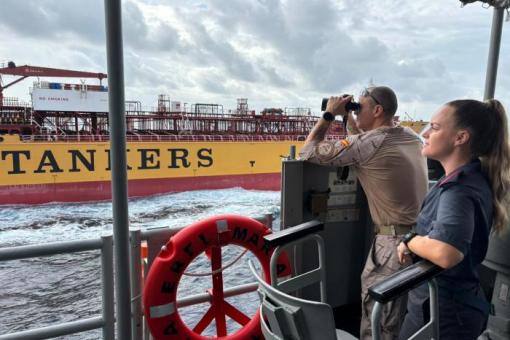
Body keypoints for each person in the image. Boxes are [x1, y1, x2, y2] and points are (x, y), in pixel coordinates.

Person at [299, 86, 428, 340]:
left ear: (378, 110)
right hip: (418, 239)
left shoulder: (371, 143)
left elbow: (308, 151)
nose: (356, 111)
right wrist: (350, 117)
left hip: (391, 247)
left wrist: (328, 115)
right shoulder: (411, 137)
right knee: (397, 314)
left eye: (360, 106)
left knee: (379, 318)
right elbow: (364, 143)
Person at [398, 99, 510, 340]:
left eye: (435, 127)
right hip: (444, 305)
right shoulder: (468, 177)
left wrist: (409, 240)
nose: (426, 133)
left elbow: (447, 252)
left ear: (460, 138)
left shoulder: (459, 190)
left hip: (445, 312)